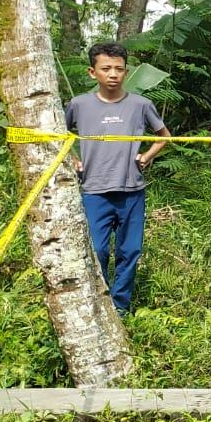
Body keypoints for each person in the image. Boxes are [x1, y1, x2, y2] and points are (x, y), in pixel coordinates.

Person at [66, 41, 171, 314]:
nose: (113, 74)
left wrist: (147, 156)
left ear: (126, 71)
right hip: (94, 191)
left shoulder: (141, 105)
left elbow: (164, 136)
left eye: (119, 69)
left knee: (130, 251)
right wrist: (73, 160)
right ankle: (98, 303)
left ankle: (120, 307)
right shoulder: (79, 105)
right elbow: (59, 136)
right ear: (92, 72)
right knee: (97, 250)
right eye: (106, 69)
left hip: (132, 190)